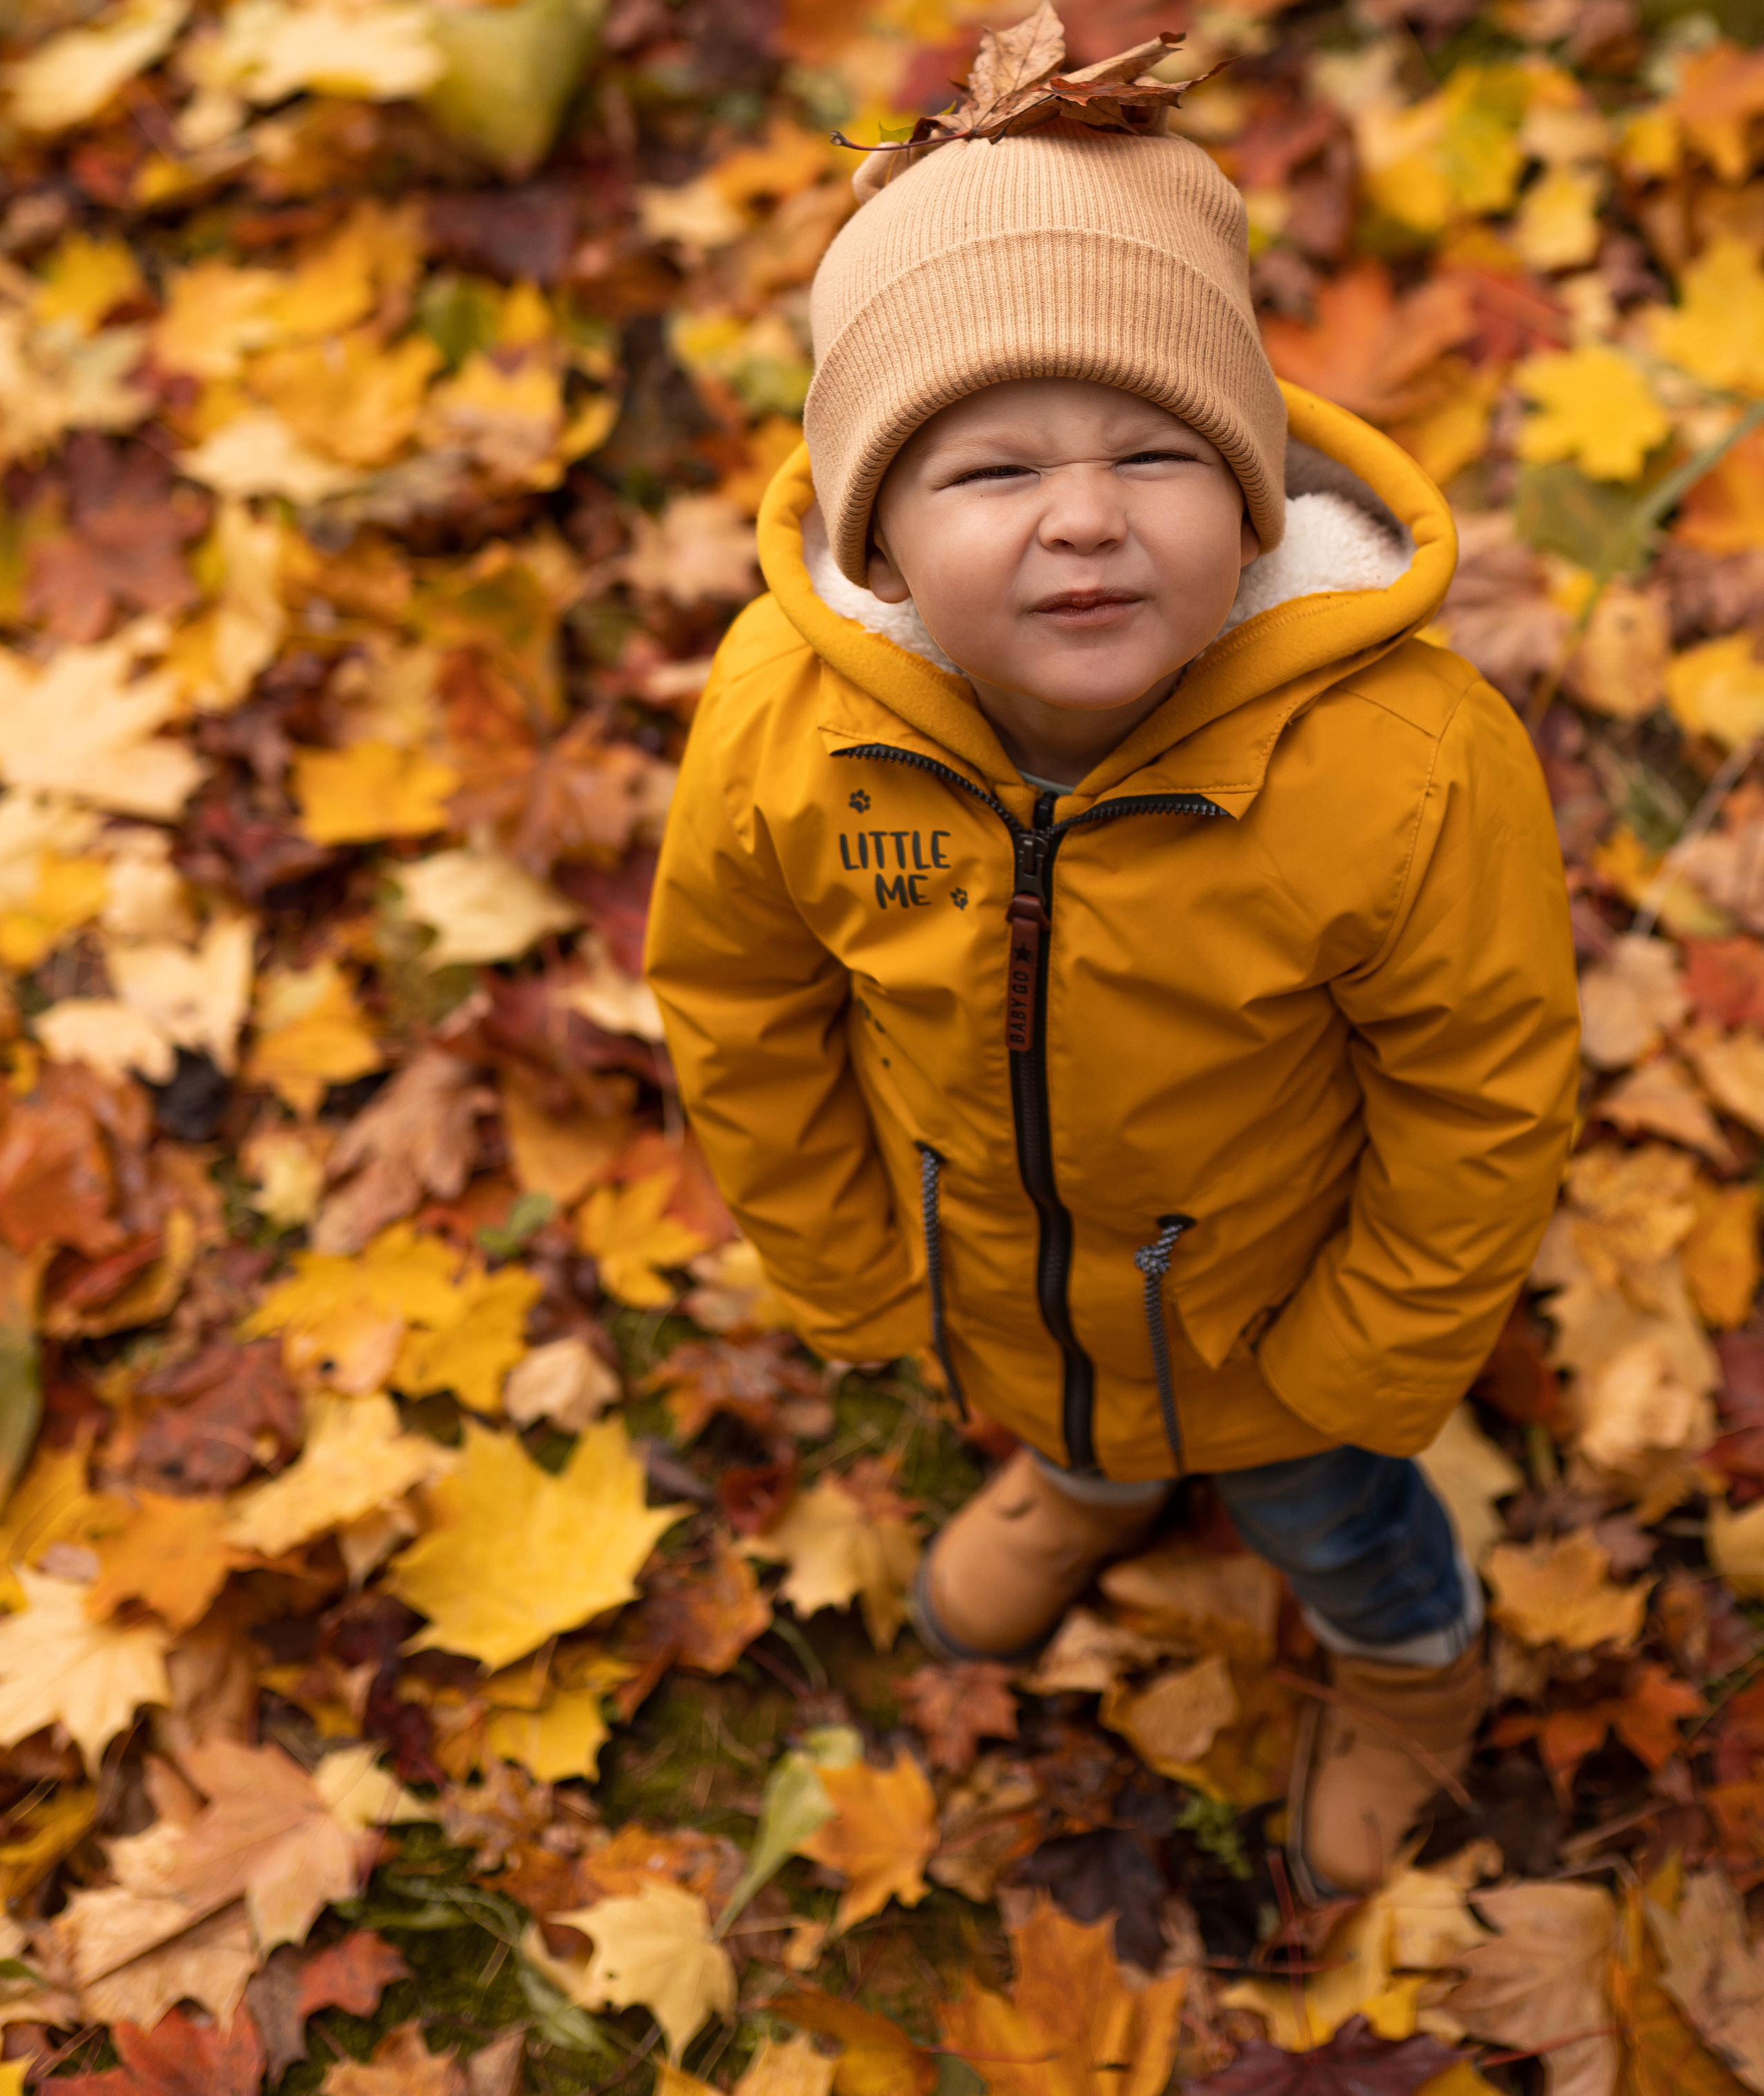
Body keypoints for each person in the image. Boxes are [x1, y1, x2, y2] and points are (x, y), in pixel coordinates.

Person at [645, 110, 1579, 1900]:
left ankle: (1411, 1663)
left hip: (1277, 1329)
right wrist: (845, 1253)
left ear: (1250, 494)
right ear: (881, 540)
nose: (1084, 516)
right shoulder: (788, 723)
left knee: (1336, 1524)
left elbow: (1484, 1086)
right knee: (1060, 1400)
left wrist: (1368, 1353)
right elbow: (738, 1002)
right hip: (995, 1277)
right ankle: (1087, 1484)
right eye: (991, 470)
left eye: (1157, 451)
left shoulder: (1402, 760)